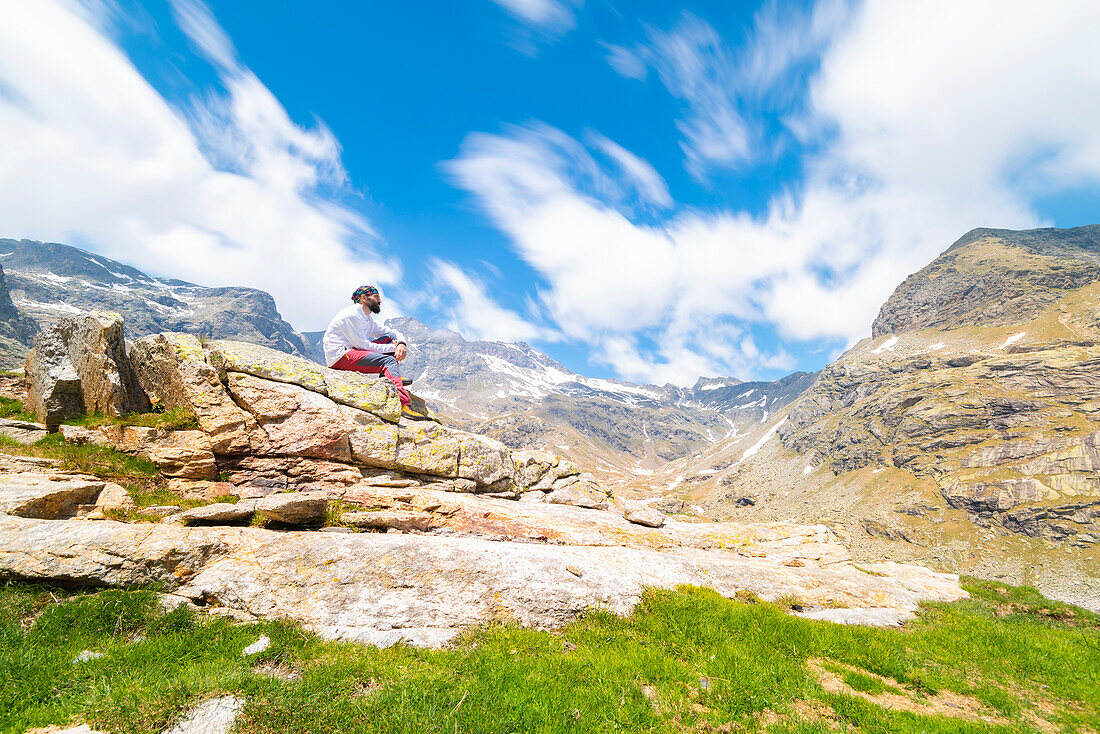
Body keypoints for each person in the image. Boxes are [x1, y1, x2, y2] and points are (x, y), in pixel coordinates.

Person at [323, 285, 428, 420]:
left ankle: (391, 377)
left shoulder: (367, 318)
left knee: (389, 339)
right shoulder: (351, 315)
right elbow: (363, 345)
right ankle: (403, 404)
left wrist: (401, 343)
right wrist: (392, 347)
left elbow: (391, 333)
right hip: (340, 356)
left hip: (353, 351)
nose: (380, 301)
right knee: (388, 360)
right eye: (376, 297)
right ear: (363, 298)